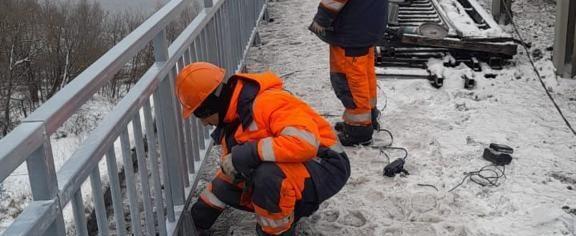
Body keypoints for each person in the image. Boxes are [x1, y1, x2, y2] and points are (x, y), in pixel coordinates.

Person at [175, 62, 350, 235]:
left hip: (326, 165)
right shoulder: (235, 119)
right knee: (239, 171)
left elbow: (306, 143)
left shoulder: (266, 102)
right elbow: (231, 176)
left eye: (200, 114)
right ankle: (292, 209)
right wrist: (197, 219)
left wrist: (250, 153)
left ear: (212, 104)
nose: (204, 123)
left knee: (267, 177)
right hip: (302, 167)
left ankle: (277, 231)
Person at [309, 0, 389, 146]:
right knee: (365, 73)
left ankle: (358, 129)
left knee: (351, 79)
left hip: (352, 28)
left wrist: (321, 19)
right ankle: (369, 116)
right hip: (369, 24)